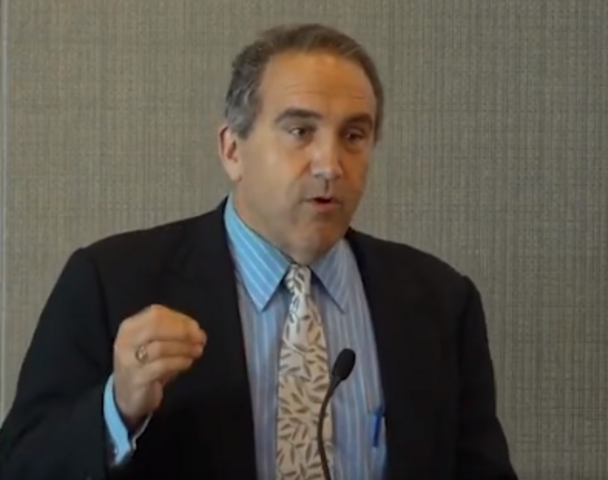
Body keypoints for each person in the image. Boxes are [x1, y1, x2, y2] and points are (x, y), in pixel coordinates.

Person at [0, 23, 518, 480]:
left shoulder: (441, 301)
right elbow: (21, 465)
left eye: (354, 135)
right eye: (300, 131)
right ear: (232, 150)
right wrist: (117, 410)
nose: (330, 164)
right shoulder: (111, 282)